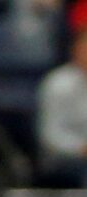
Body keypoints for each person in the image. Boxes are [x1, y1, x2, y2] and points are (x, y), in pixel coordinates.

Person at [37, 26, 87, 184]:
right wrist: (81, 148)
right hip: (63, 157)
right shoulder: (57, 82)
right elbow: (50, 134)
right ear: (76, 50)